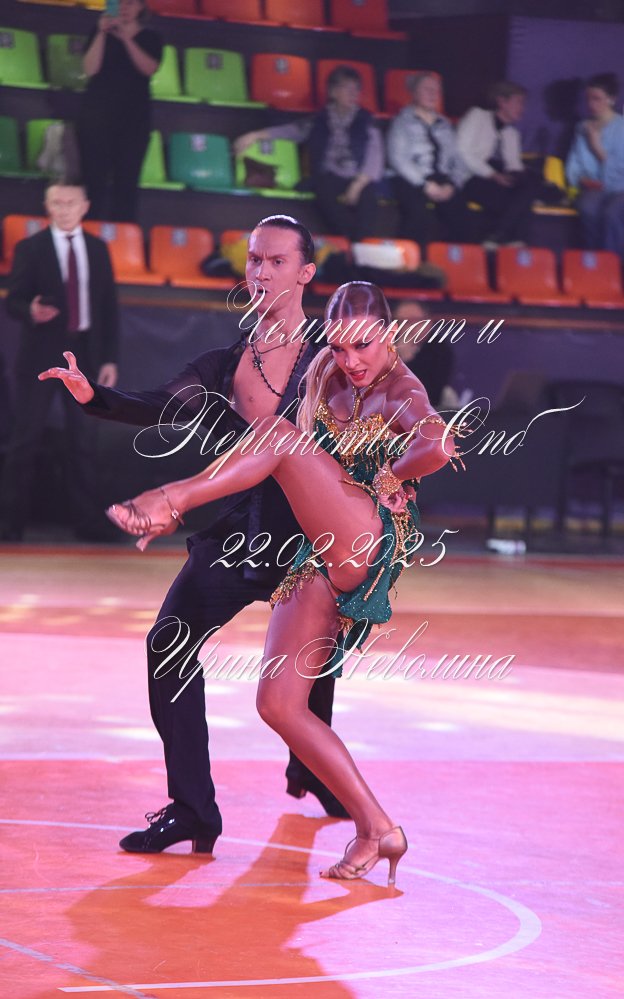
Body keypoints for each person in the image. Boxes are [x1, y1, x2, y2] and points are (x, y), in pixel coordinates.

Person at [105, 281, 462, 884]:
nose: (350, 360)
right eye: (340, 346)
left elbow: (439, 443)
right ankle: (378, 828)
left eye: (363, 346)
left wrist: (393, 475)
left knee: (277, 434)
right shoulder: (325, 371)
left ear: (389, 335)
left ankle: (170, 501)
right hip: (316, 548)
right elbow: (279, 460)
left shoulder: (401, 387)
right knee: (278, 705)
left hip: (366, 535)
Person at [37, 215, 348, 854]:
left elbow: (384, 420)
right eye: (254, 260)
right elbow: (163, 403)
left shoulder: (335, 356)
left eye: (277, 262)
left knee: (314, 666)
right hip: (241, 533)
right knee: (169, 644)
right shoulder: (229, 362)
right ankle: (192, 809)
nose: (261, 272)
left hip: (312, 539)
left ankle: (316, 772)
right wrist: (93, 395)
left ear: (306, 272)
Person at [0, 181, 118, 542]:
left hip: (84, 354)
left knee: (83, 440)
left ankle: (89, 524)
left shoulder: (98, 249)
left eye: (70, 203)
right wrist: (30, 310)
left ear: (85, 206)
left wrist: (109, 359)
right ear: (47, 206)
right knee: (24, 439)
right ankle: (8, 523)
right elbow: (13, 301)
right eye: (56, 202)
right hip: (39, 354)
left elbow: (108, 307)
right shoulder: (30, 247)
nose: (63, 209)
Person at [234, 66, 383, 242]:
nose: (353, 93)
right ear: (333, 92)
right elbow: (291, 131)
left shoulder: (367, 121)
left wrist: (358, 184)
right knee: (324, 193)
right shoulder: (320, 120)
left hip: (359, 177)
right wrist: (256, 135)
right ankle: (352, 243)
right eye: (347, 88)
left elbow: (375, 156)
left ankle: (359, 244)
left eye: (356, 89)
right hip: (329, 175)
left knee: (368, 200)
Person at [76, 0, 162, 222]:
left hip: (134, 119)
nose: (125, 7)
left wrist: (126, 38)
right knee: (93, 179)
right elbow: (90, 69)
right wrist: (102, 33)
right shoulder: (99, 32)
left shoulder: (151, 36)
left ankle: (123, 232)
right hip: (97, 115)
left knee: (127, 182)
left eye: (131, 3)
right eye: (120, 2)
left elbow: (148, 68)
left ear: (141, 7)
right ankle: (91, 228)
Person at [565, 72, 624, 257]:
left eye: (597, 99)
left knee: (612, 214)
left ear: (611, 99)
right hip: (596, 188)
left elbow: (623, 170)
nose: (591, 104)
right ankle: (594, 262)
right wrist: (581, 179)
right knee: (588, 209)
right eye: (588, 99)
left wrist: (597, 147)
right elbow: (574, 162)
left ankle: (612, 263)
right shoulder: (582, 127)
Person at [387, 73, 469, 247]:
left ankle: (449, 258)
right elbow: (398, 159)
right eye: (427, 89)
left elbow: (458, 160)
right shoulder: (402, 122)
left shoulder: (445, 124)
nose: (433, 94)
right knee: (418, 215)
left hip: (442, 178)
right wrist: (424, 185)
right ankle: (412, 258)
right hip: (411, 178)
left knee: (461, 215)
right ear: (414, 93)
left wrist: (453, 184)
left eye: (436, 90)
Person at [456, 81, 537, 249]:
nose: (522, 108)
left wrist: (515, 176)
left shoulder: (512, 133)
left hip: (498, 179)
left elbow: (514, 165)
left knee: (528, 186)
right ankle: (509, 238)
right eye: (519, 102)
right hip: (472, 176)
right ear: (502, 102)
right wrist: (492, 174)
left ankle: (498, 236)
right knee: (519, 204)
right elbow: (462, 152)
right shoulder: (477, 116)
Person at [391, 300, 457, 410]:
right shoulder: (384, 346)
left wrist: (407, 361)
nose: (410, 327)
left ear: (428, 322)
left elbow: (431, 393)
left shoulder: (440, 350)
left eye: (415, 321)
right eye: (402, 321)